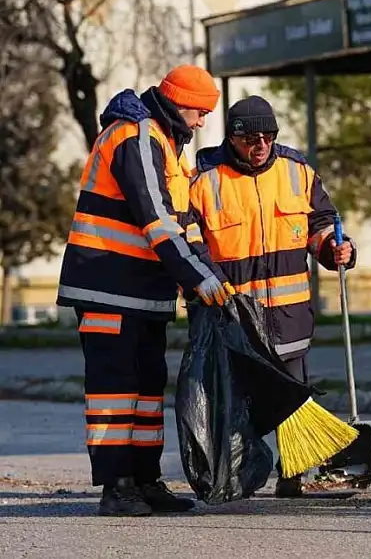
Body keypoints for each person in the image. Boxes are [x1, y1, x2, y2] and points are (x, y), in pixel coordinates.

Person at [57, 64, 235, 517]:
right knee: (114, 388)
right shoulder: (135, 136)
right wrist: (198, 278)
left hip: (143, 292)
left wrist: (208, 274)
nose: (201, 124)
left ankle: (145, 480)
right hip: (106, 286)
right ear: (181, 104)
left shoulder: (168, 147)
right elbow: (155, 220)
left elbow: (185, 223)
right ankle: (116, 486)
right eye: (200, 114)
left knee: (147, 386)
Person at [186, 95, 355, 498]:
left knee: (293, 400)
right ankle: (232, 477)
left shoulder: (297, 171)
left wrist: (335, 250)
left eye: (269, 136)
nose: (261, 145)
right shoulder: (203, 180)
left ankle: (293, 473)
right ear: (233, 138)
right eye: (251, 138)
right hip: (235, 322)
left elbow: (321, 223)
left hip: (288, 315)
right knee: (235, 402)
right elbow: (191, 245)